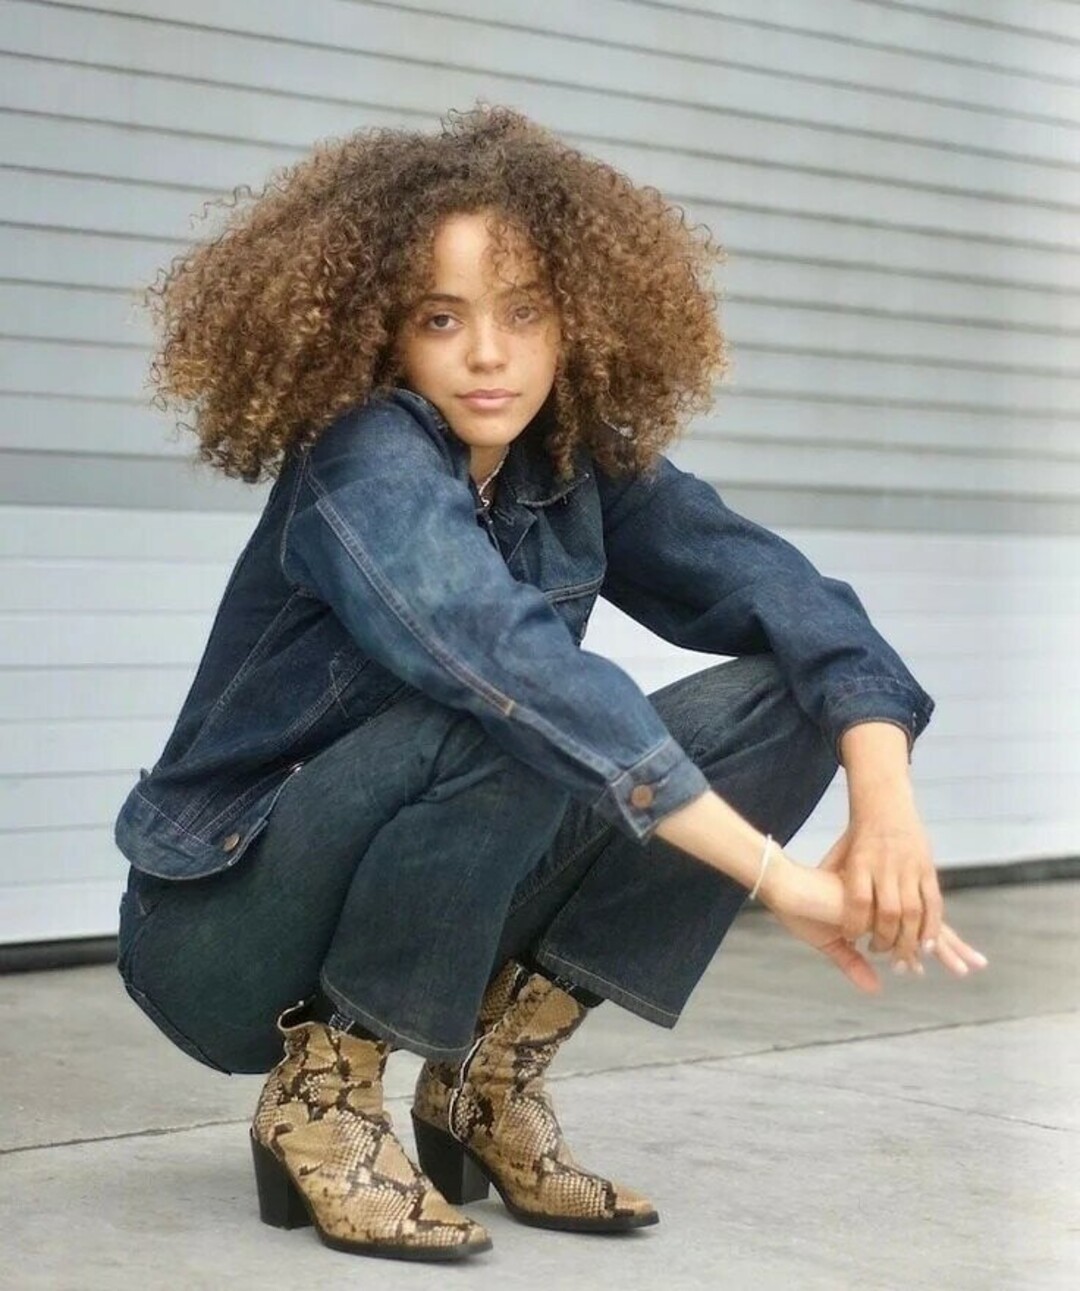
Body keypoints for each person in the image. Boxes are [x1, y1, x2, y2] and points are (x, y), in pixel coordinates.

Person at [114, 105, 986, 1262]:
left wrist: (886, 803)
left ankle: (488, 1073)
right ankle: (321, 1096)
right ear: (381, 330)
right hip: (224, 927)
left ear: (578, 315)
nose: (490, 354)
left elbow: (792, 599)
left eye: (524, 311)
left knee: (783, 697)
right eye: (442, 317)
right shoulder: (361, 462)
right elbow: (509, 664)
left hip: (432, 887)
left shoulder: (567, 459)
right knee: (514, 711)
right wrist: (778, 877)